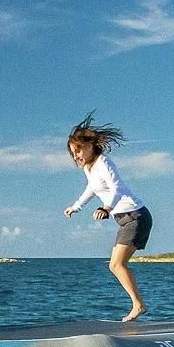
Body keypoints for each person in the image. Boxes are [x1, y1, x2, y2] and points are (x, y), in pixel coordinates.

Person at [62, 114, 151, 322]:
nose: (76, 156)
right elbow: (92, 188)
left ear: (90, 145)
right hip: (126, 219)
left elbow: (116, 187)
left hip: (136, 216)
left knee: (116, 265)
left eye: (78, 150)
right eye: (73, 153)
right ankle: (138, 304)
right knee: (116, 265)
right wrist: (76, 206)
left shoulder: (103, 163)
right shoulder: (89, 168)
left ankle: (138, 305)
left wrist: (106, 208)